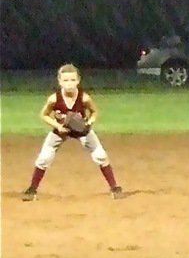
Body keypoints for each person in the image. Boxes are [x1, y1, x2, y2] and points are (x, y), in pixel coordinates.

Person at [21, 63, 124, 200]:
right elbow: (44, 115)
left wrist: (88, 123)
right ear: (59, 81)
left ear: (78, 81)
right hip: (61, 130)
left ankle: (114, 188)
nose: (69, 83)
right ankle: (32, 190)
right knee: (44, 158)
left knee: (101, 156)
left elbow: (94, 112)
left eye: (72, 80)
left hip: (81, 130)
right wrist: (57, 126)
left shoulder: (84, 98)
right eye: (65, 80)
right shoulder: (54, 99)